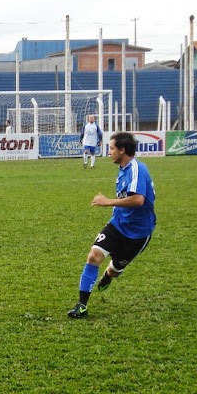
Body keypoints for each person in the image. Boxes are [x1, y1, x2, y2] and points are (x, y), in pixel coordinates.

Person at [67, 131, 156, 319]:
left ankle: (108, 275)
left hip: (138, 233)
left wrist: (107, 201)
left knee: (114, 270)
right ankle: (81, 305)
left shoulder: (137, 169)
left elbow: (138, 200)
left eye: (112, 148)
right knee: (94, 256)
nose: (109, 152)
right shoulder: (123, 169)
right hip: (118, 224)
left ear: (122, 150)